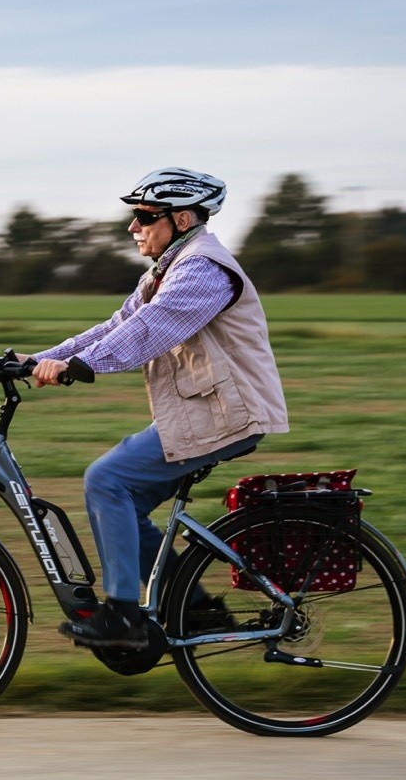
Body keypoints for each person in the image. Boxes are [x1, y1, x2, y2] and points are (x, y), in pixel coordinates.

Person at [29, 167, 289, 649]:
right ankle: (195, 608)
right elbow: (115, 326)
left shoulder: (203, 270)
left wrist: (80, 367)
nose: (133, 227)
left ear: (183, 218)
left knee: (107, 480)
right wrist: (37, 359)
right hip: (206, 411)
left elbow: (149, 330)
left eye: (145, 217)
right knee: (122, 506)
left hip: (228, 415)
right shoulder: (168, 269)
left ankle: (124, 617)